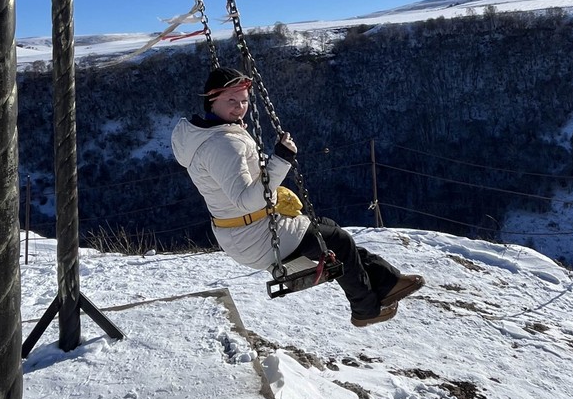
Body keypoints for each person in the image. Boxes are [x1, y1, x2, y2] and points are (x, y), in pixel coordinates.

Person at [171, 66, 424, 326]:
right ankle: (366, 310)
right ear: (211, 101)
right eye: (231, 101)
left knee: (330, 232)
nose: (239, 107)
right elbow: (245, 200)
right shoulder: (224, 144)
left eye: (244, 101)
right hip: (255, 236)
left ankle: (387, 282)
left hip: (239, 232)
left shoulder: (203, 133)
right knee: (337, 241)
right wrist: (281, 159)